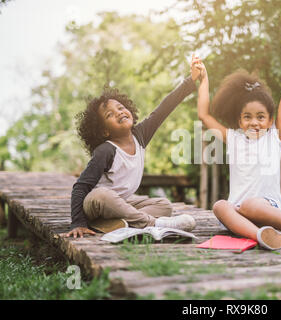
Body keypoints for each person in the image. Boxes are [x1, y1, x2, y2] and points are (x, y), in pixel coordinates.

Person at [194, 44, 281, 250]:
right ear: (239, 121)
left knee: (251, 203)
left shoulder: (273, 137)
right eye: (247, 117)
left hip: (267, 209)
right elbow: (204, 115)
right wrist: (204, 79)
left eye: (260, 117)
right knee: (220, 206)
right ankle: (261, 236)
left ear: (269, 121)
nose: (254, 122)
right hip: (239, 217)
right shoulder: (233, 138)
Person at [65, 57, 202, 238]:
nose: (119, 112)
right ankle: (153, 223)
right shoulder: (106, 150)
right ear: (104, 131)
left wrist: (190, 81)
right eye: (110, 114)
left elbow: (164, 108)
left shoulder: (140, 136)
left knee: (164, 205)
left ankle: (115, 224)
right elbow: (80, 187)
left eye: (121, 107)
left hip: (122, 204)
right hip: (96, 205)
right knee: (102, 195)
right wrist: (78, 223)